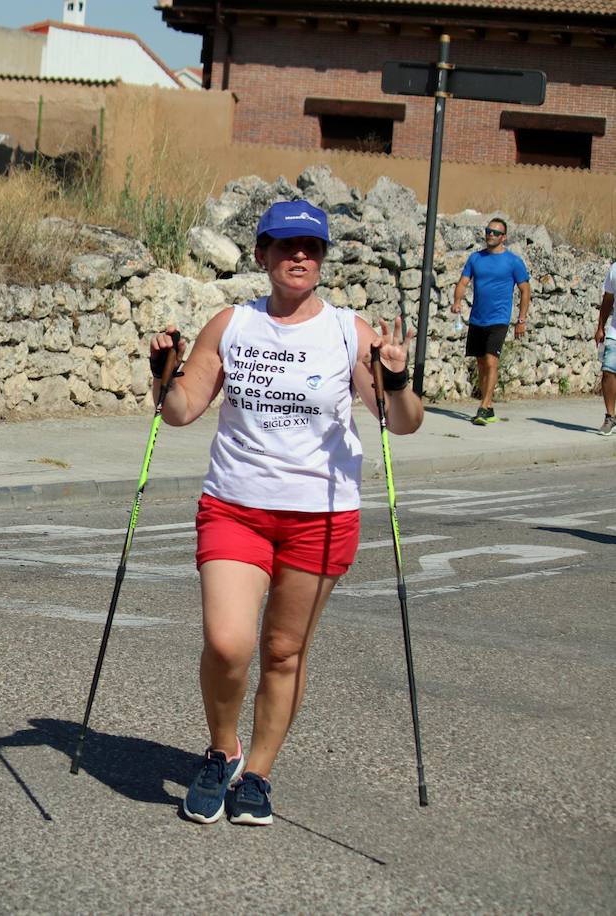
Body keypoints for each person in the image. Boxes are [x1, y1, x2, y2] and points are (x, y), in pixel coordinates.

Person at [149, 200, 423, 826]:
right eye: (285, 245)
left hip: (321, 516)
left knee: (284, 651)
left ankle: (260, 775)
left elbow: (401, 423)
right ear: (262, 254)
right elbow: (180, 408)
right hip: (235, 507)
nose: (300, 256)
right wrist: (161, 373)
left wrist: (397, 379)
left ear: (323, 258)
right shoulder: (231, 324)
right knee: (227, 643)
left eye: (313, 248)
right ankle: (223, 750)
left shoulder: (349, 333)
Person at [450, 218, 531, 426]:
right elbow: (463, 282)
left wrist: (521, 320)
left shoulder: (513, 262)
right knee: (480, 363)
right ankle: (489, 406)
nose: (491, 235)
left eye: (495, 233)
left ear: (504, 237)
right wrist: (457, 300)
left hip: (499, 319)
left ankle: (484, 406)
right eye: (488, 231)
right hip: (477, 319)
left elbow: (525, 290)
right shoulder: (475, 258)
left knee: (491, 360)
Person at [597, 259, 616, 437]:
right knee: (608, 371)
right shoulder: (614, 269)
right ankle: (610, 416)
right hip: (615, 331)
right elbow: (608, 299)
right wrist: (600, 327)